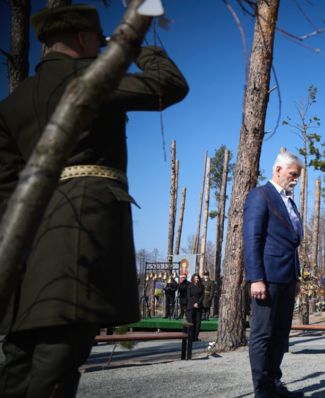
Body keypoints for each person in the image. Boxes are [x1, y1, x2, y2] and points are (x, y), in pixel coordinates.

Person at [0, 4, 188, 397]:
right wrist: (129, 43)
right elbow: (170, 84)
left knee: (19, 356)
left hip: (25, 245)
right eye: (99, 41)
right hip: (83, 232)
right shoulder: (90, 79)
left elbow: (4, 187)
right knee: (58, 359)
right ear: (85, 39)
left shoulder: (12, 104)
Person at [243, 151, 304, 398]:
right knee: (263, 334)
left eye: (298, 176)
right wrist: (256, 278)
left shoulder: (289, 201)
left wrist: (296, 276)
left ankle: (274, 383)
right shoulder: (260, 195)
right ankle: (262, 390)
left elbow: (291, 242)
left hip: (287, 278)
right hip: (266, 279)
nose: (296, 180)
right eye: (293, 174)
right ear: (278, 170)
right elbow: (252, 238)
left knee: (280, 334)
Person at [186, 273, 204, 341]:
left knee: (198, 322)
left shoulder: (201, 286)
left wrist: (198, 303)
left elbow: (202, 296)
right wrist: (193, 303)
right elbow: (188, 296)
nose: (197, 280)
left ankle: (195, 337)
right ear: (193, 279)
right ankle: (190, 337)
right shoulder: (190, 286)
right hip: (191, 306)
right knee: (191, 321)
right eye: (195, 278)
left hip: (199, 306)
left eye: (198, 278)